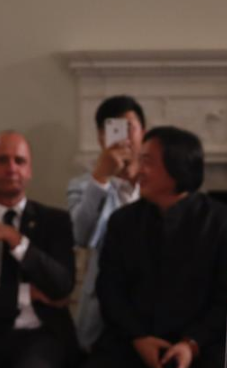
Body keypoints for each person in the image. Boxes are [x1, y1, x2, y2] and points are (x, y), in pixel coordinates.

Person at [86, 127, 227, 368]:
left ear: (178, 166)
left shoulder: (224, 223)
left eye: (147, 161)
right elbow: (109, 288)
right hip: (131, 340)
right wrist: (139, 337)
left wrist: (191, 343)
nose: (138, 169)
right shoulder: (122, 221)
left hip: (201, 345)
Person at [0, 131, 78, 368]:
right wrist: (26, 294)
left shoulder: (55, 221)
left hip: (40, 335)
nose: (11, 168)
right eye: (1, 160)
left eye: (20, 161)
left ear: (29, 170)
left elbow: (61, 287)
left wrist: (14, 239)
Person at [67, 95, 145, 352]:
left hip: (152, 300)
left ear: (143, 132)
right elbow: (81, 236)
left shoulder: (159, 183)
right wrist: (100, 178)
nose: (124, 137)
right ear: (101, 137)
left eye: (130, 127)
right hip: (103, 308)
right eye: (114, 129)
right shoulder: (83, 186)